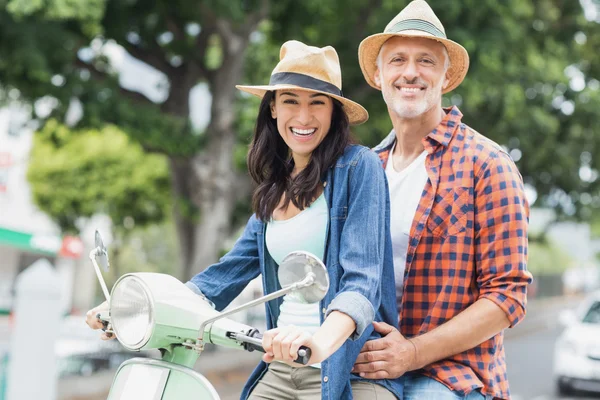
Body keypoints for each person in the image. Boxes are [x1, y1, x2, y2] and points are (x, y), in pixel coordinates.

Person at [86, 40, 402, 400]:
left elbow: (361, 283)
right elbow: (220, 278)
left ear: (333, 113)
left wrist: (316, 345)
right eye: (290, 101)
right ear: (272, 110)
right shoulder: (274, 191)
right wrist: (131, 307)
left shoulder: (359, 168)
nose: (303, 117)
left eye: (317, 102)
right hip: (282, 367)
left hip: (348, 369)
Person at [350, 1, 533, 399]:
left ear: (446, 77)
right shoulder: (365, 170)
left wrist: (412, 353)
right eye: (397, 59)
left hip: (453, 377)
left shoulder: (487, 165)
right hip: (369, 366)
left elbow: (507, 297)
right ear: (377, 75)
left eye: (427, 61)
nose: (411, 72)